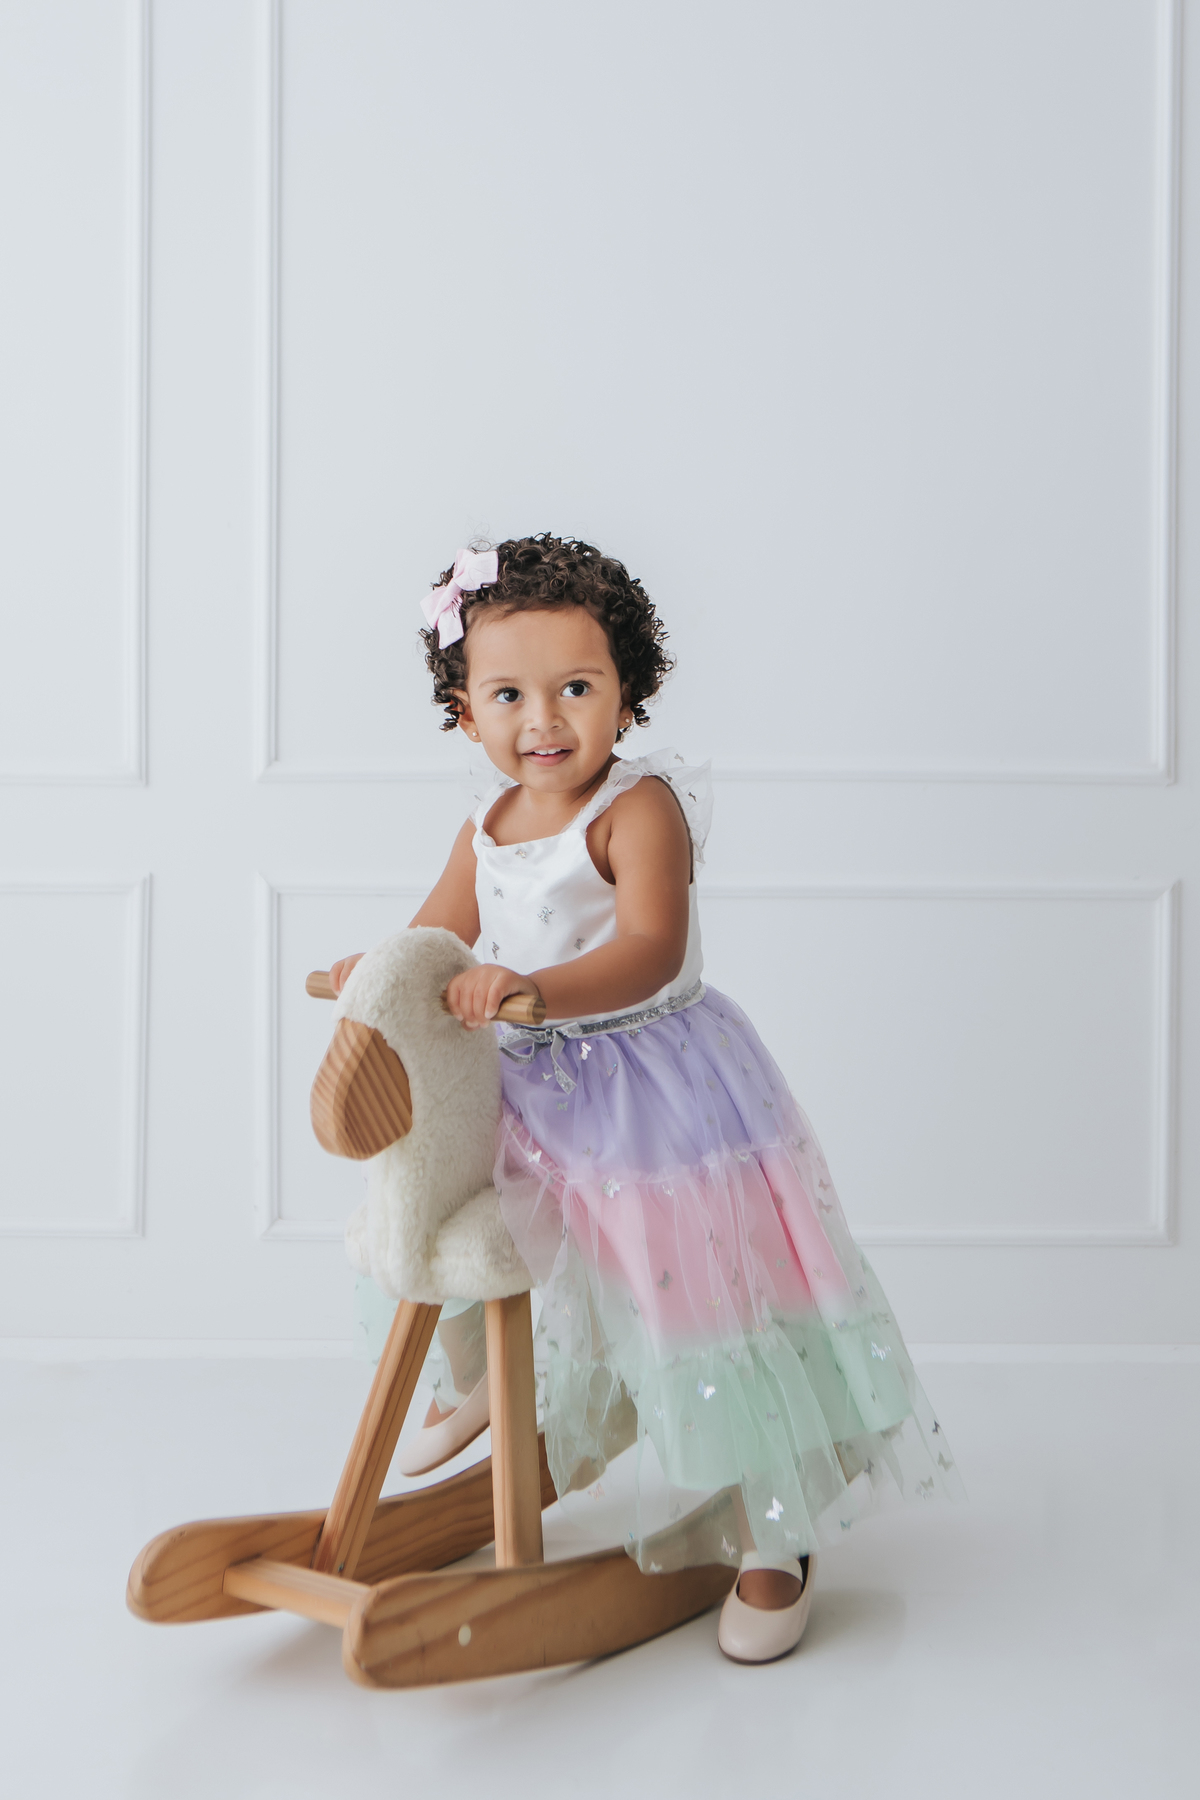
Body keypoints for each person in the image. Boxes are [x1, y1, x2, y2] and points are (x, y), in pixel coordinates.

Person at [331, 533, 959, 1663]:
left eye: (577, 688)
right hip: (528, 1089)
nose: (545, 720)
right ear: (463, 714)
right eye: (509, 696)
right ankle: (488, 1388)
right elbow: (434, 935)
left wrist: (531, 991)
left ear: (628, 692)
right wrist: (374, 973)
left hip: (648, 1093)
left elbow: (650, 951)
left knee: (695, 1309)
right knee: (441, 1206)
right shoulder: (487, 827)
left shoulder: (638, 809)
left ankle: (773, 1534)